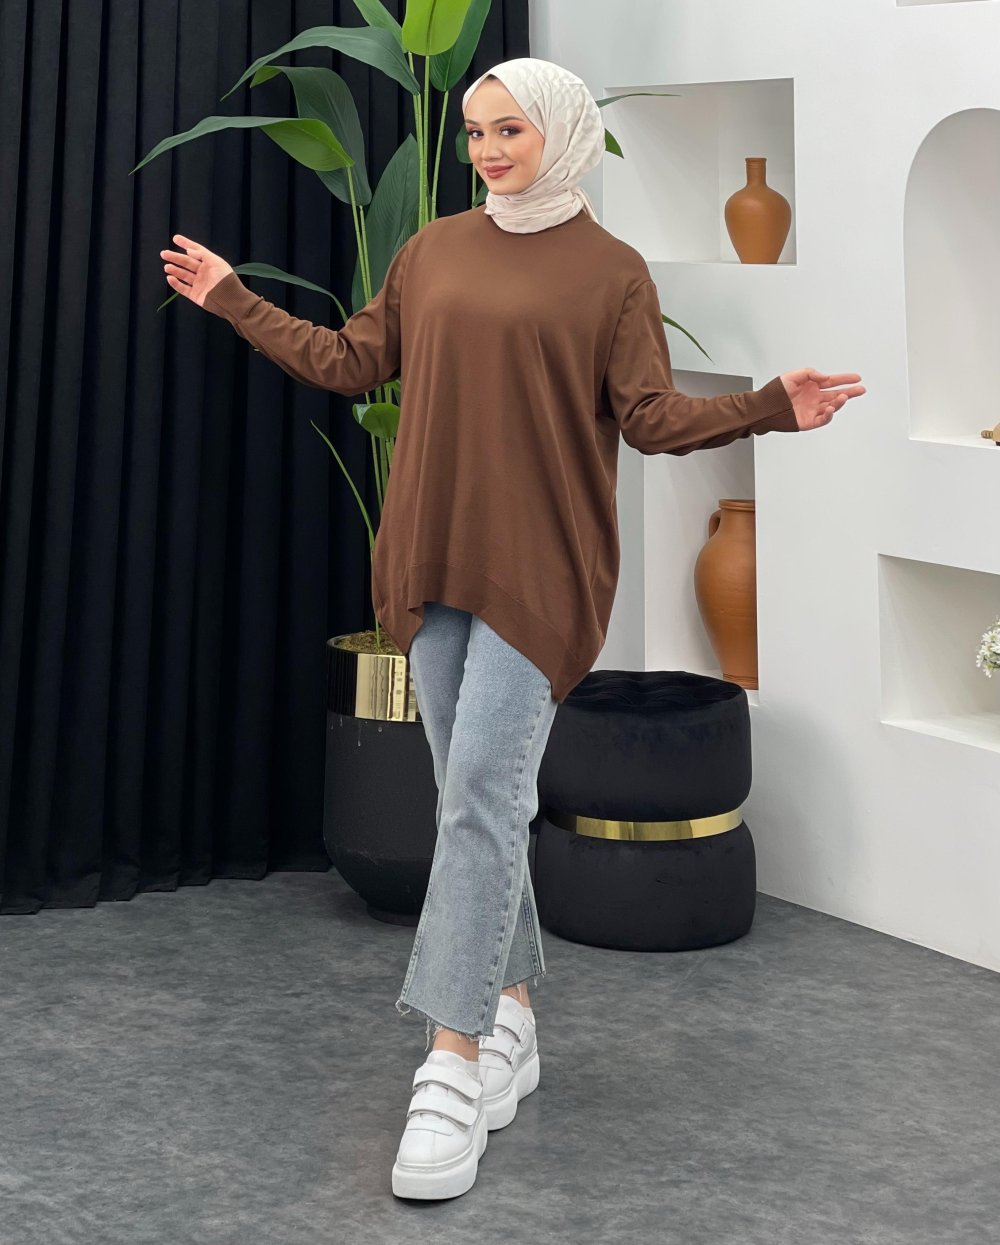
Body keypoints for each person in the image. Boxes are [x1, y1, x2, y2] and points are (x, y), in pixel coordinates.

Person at [160, 57, 866, 1202]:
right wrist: (234, 297)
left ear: (561, 135)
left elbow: (650, 419)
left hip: (542, 574)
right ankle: (513, 1015)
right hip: (429, 559)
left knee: (482, 799)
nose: (487, 150)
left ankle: (451, 1062)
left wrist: (767, 408)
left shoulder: (612, 272)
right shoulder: (433, 251)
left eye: (510, 132)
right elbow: (351, 360)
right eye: (477, 132)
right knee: (471, 802)